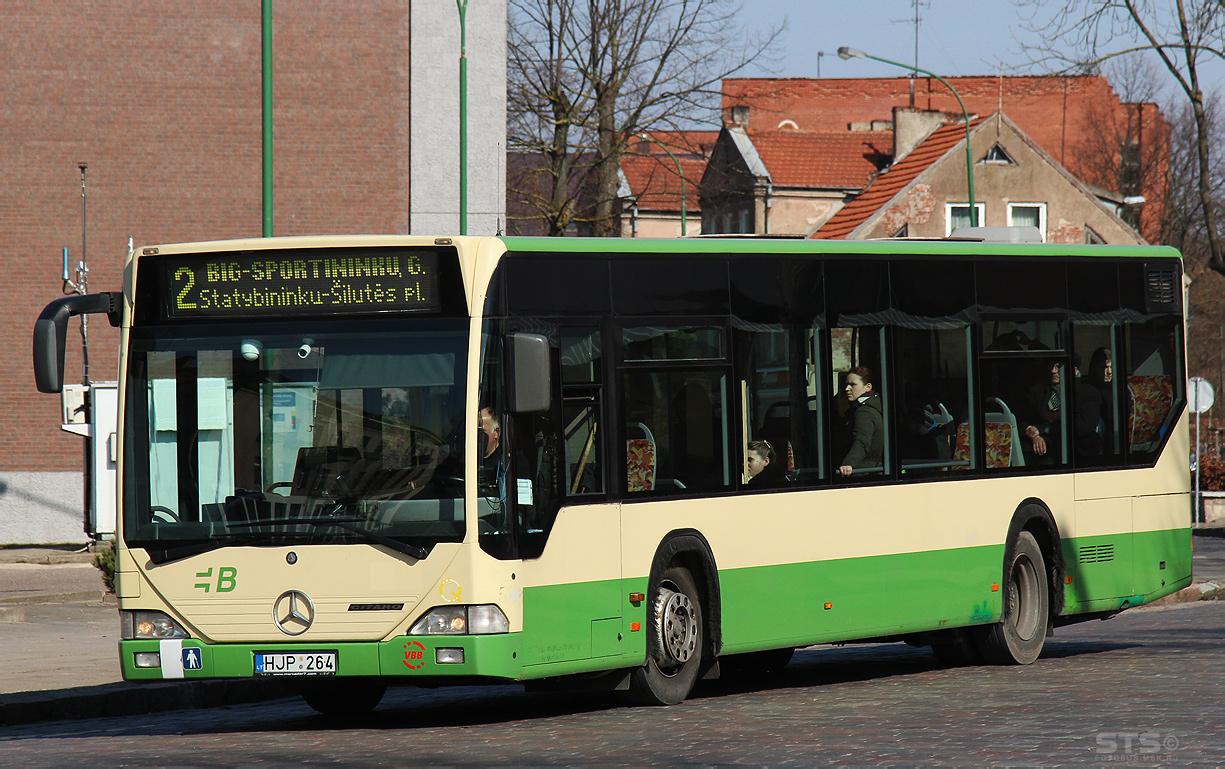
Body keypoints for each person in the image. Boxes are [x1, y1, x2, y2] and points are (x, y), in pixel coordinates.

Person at [839, 366, 883, 477]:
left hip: (861, 472)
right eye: (846, 385)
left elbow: (862, 441)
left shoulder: (864, 412)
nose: (847, 389)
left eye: (853, 385)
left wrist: (848, 463)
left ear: (867, 387)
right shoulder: (871, 407)